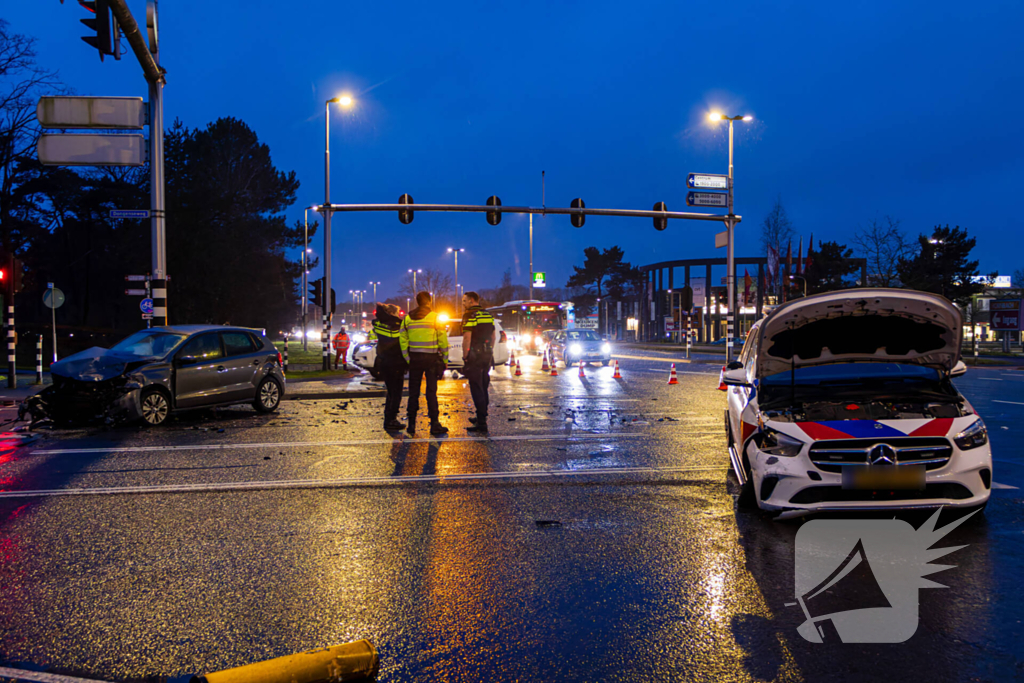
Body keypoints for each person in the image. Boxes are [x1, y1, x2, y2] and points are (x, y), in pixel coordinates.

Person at [399, 291, 449, 436]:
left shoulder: (407, 319)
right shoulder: (435, 318)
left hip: (414, 359)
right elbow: (443, 340)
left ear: (417, 302)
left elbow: (403, 339)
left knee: (413, 392)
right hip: (431, 359)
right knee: (431, 392)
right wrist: (445, 359)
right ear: (429, 301)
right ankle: (434, 424)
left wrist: (407, 358)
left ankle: (411, 425)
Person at [460, 291, 496, 432]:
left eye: (464, 301)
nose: (463, 303)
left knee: (476, 388)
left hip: (475, 355)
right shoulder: (488, 314)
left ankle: (481, 423)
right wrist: (489, 350)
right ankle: (482, 415)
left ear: (472, 300)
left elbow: (467, 338)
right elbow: (493, 336)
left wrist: (465, 356)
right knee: (484, 385)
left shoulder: (469, 315)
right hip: (487, 354)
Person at [370, 303, 406, 431]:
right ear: (391, 313)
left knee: (390, 392)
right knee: (396, 393)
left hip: (383, 362)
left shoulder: (378, 324)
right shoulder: (397, 325)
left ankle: (388, 419)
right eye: (396, 313)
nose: (398, 316)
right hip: (396, 362)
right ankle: (391, 420)